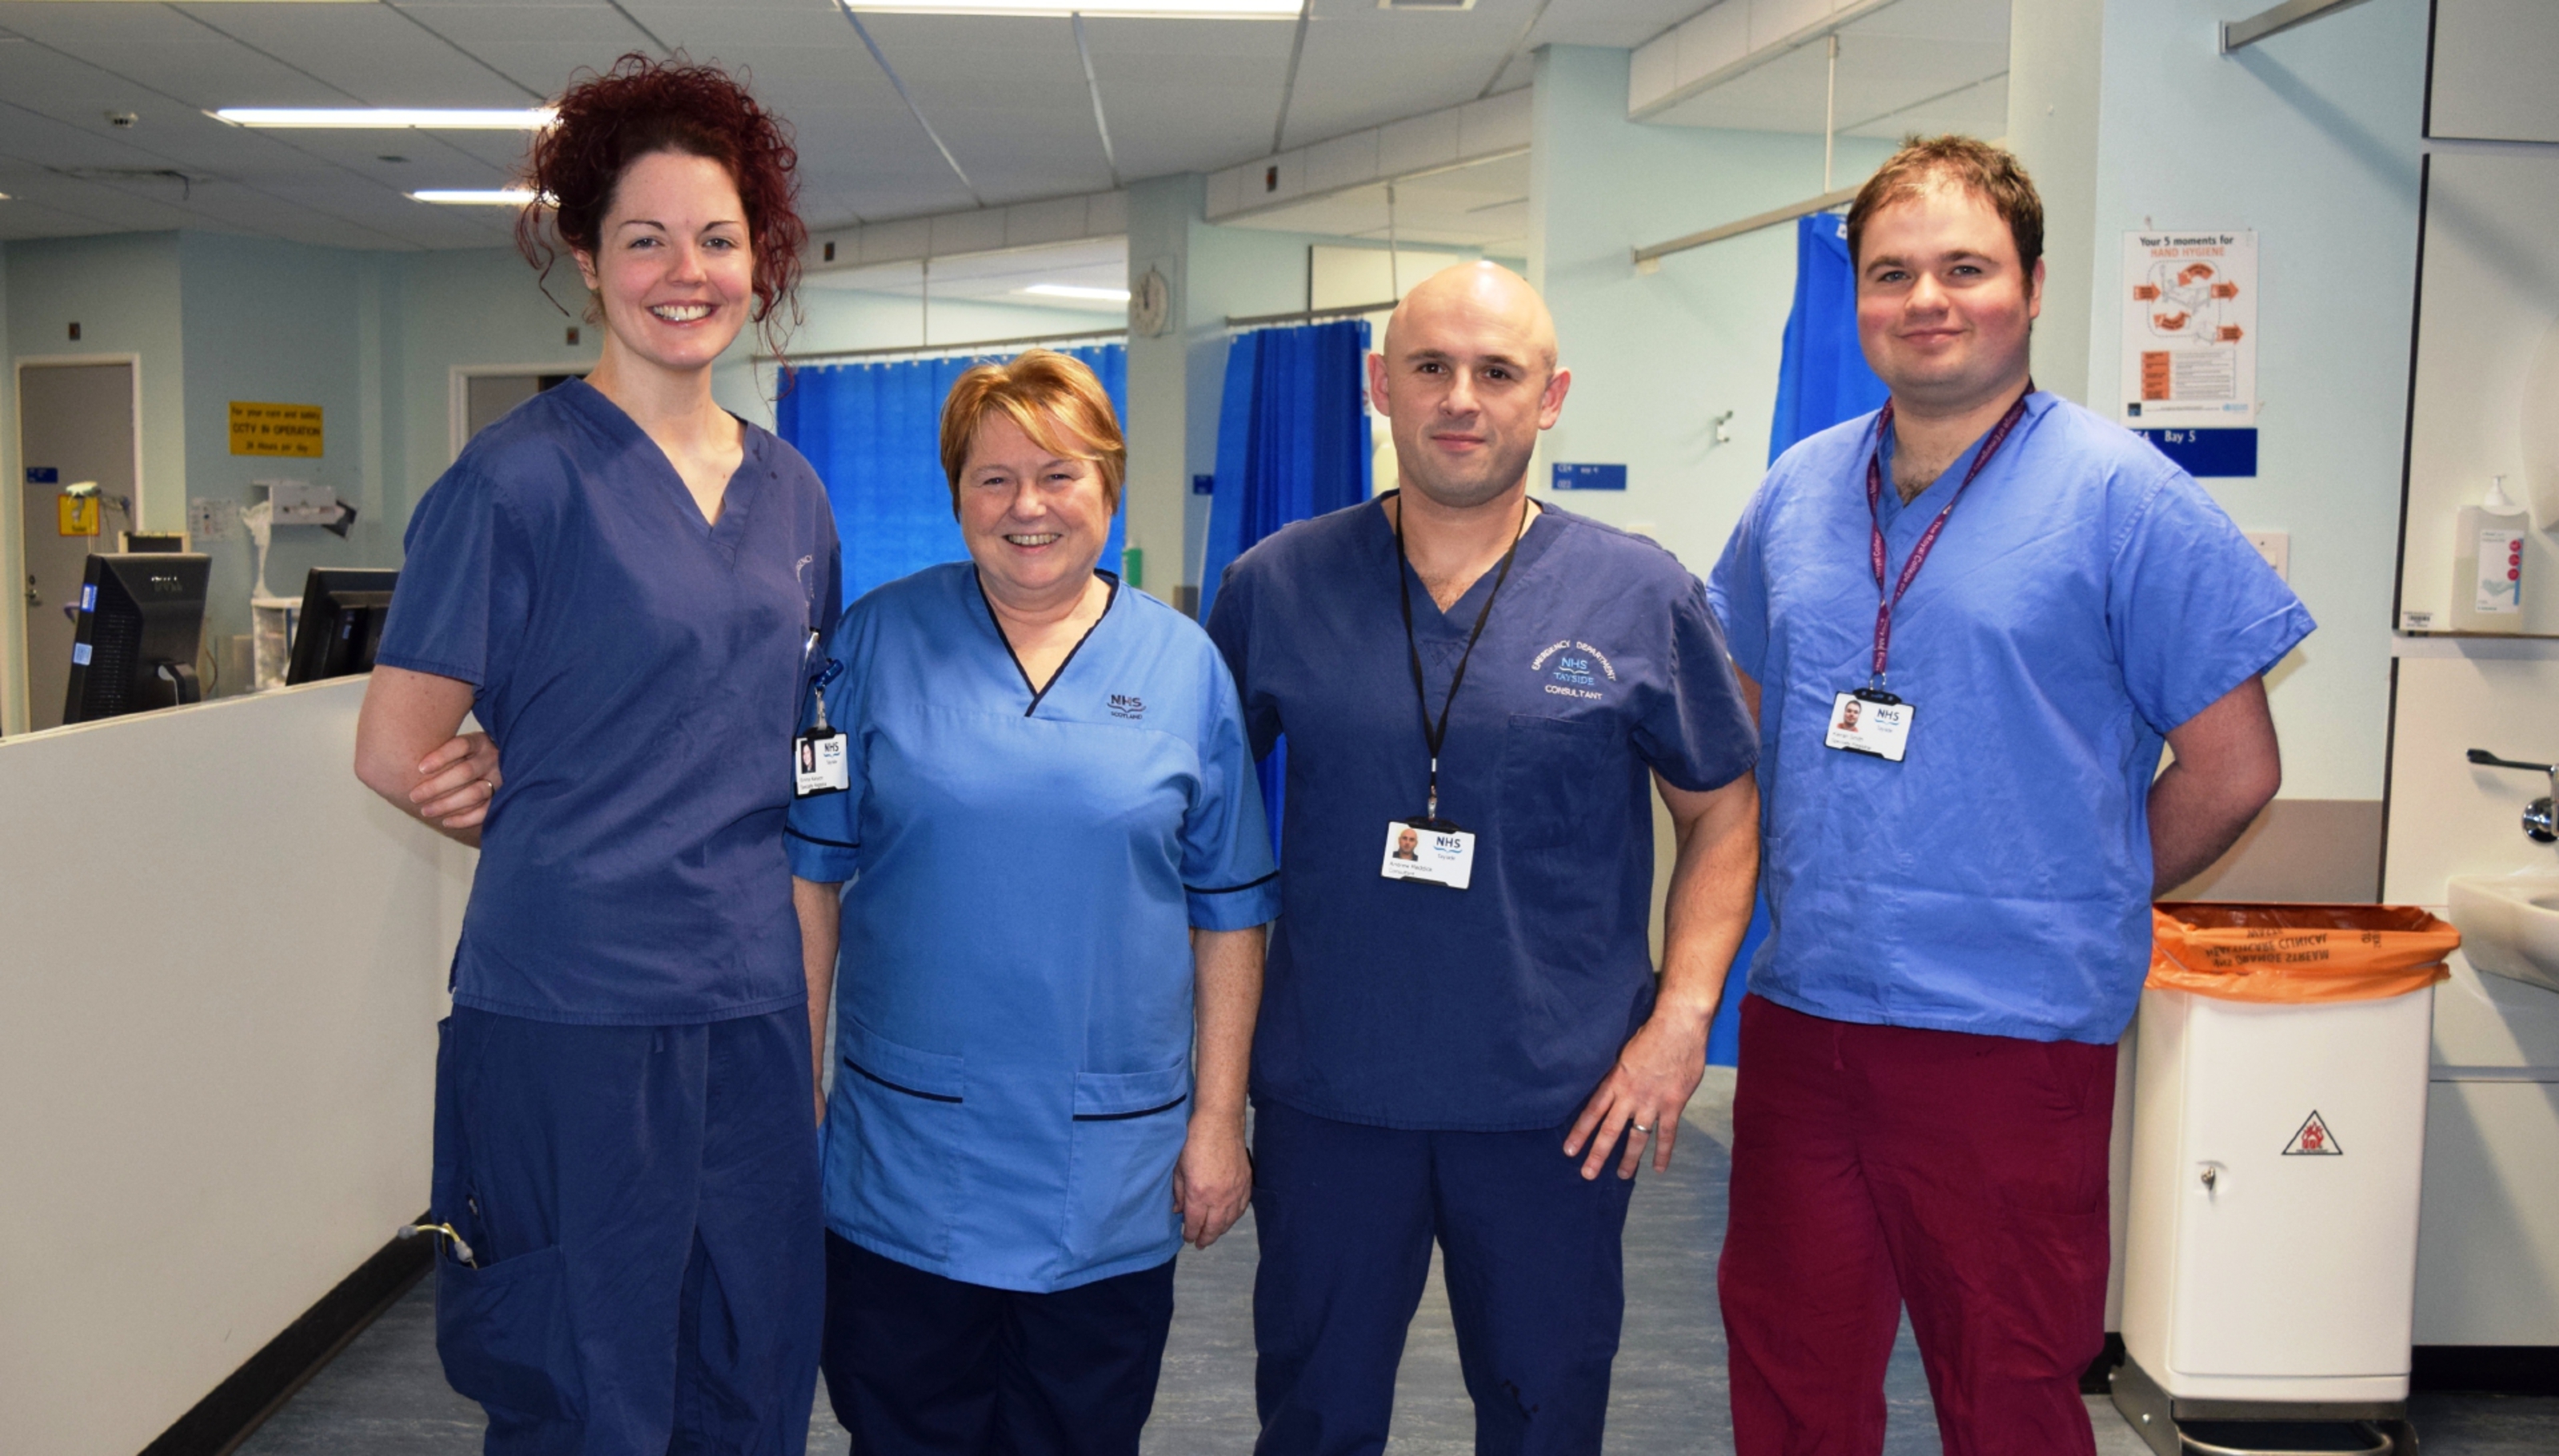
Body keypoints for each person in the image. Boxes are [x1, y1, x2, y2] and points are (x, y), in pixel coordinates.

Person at [1706, 135, 2312, 1455]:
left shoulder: (2125, 500)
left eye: (1965, 267)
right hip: (1806, 1022)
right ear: (1856, 298)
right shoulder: (1795, 496)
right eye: (1891, 272)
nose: (1926, 299)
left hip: (2011, 1038)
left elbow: (2236, 766)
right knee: (1789, 1370)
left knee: (2009, 1393)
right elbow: (1741, 735)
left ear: (2032, 288)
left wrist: (2079, 883)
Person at [353, 54, 837, 1454]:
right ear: (586, 255)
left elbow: (786, 736)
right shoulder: (514, 481)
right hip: (569, 1002)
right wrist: (504, 788)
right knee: (586, 1380)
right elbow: (397, 747)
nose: (684, 273)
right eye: (645, 240)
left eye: (717, 239)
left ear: (761, 258)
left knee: (751, 1361)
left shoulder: (792, 490)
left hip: (745, 1000)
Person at [1204, 262, 1763, 1455]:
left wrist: (1683, 1019)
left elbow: (1722, 813)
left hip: (1555, 1104)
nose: (1462, 397)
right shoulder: (1277, 586)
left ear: (1550, 397)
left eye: (1497, 372)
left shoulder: (1638, 591)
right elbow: (1194, 821)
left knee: (1545, 1415)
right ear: (1379, 386)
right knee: (1312, 1416)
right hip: (1329, 1094)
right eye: (1431, 367)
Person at [787, 349, 1278, 1456]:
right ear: (957, 494)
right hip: (904, 1152)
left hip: (1104, 1161)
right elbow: (809, 884)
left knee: (1079, 1432)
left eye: (1058, 475)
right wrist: (792, 1089)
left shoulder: (1186, 668)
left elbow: (1231, 912)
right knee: (901, 1428)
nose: (1028, 507)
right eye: (994, 477)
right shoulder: (873, 644)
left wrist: (1217, 1118)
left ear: (1107, 484)